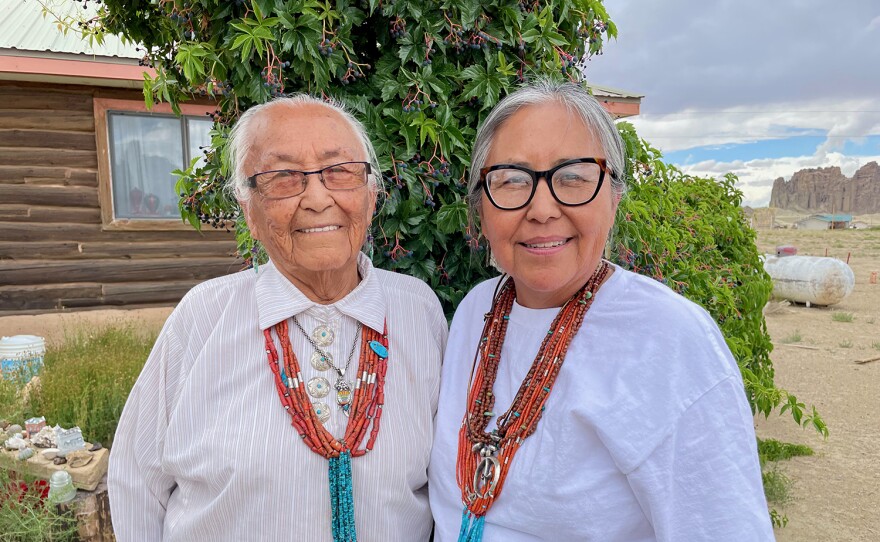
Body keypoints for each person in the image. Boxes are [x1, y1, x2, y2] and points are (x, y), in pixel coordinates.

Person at [428, 80, 774, 541]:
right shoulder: (476, 312)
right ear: (481, 207)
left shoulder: (668, 339)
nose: (542, 208)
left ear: (613, 197)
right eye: (512, 179)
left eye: (572, 176)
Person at [109, 94, 447, 541]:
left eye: (339, 171)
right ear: (249, 210)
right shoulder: (204, 316)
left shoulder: (417, 310)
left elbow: (448, 486)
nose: (317, 197)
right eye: (284, 177)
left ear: (371, 197)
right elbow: (137, 482)